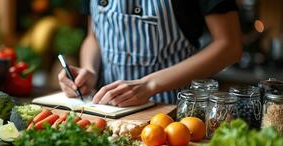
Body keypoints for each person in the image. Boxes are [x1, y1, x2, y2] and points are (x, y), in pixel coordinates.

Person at [58, 0, 242, 107]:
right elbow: (94, 36)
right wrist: (90, 70)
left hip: (174, 115)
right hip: (108, 111)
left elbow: (229, 46)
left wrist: (150, 84)